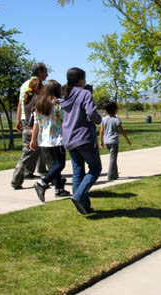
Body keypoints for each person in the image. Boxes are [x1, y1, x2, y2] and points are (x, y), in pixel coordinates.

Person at [60, 67, 102, 214]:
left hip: (69, 138)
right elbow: (91, 112)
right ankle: (78, 196)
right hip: (83, 137)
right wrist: (98, 120)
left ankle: (84, 208)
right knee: (95, 169)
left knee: (78, 172)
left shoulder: (65, 94)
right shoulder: (84, 93)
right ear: (81, 80)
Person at [30, 80, 71, 202]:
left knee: (54, 165)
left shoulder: (39, 104)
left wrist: (33, 139)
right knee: (60, 164)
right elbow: (65, 121)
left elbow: (36, 124)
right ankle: (43, 183)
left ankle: (59, 189)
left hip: (44, 140)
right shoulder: (58, 104)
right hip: (57, 139)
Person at [12, 63, 49, 187]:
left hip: (25, 119)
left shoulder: (24, 85)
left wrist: (18, 120)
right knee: (30, 151)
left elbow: (20, 104)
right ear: (39, 72)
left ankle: (29, 172)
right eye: (45, 72)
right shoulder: (37, 86)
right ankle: (16, 179)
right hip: (33, 121)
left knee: (34, 150)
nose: (47, 75)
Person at [99, 101, 131, 181]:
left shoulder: (104, 119)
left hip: (107, 142)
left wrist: (101, 141)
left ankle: (115, 174)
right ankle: (110, 176)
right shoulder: (116, 119)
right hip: (114, 142)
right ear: (114, 110)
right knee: (113, 158)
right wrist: (127, 139)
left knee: (113, 158)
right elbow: (122, 131)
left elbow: (101, 131)